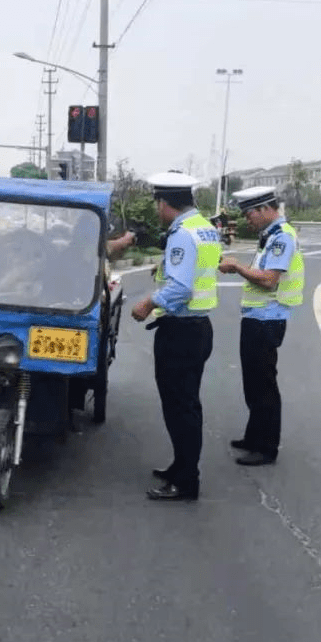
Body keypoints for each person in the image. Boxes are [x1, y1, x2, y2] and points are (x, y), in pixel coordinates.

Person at [129, 172, 221, 501]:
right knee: (186, 404)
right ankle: (181, 466)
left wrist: (148, 303)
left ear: (165, 203)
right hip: (198, 328)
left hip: (181, 331)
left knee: (180, 408)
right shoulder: (207, 229)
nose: (156, 211)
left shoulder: (183, 234)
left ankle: (185, 480)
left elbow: (181, 287)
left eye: (157, 204)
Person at [217, 186, 304, 466]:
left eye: (250, 213)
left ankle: (266, 447)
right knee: (253, 383)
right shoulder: (270, 237)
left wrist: (238, 268)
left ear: (266, 209)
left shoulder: (281, 238)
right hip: (258, 317)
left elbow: (268, 280)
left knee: (263, 384)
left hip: (267, 319)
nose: (247, 220)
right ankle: (254, 436)